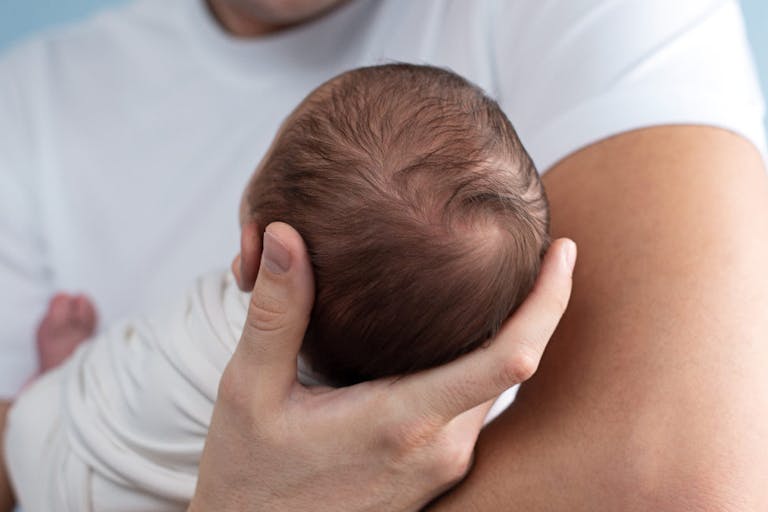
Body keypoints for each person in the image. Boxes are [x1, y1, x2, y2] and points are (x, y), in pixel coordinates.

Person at [1, 0, 767, 510]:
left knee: (77, 421)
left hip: (64, 446)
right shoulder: (26, 96)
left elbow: (686, 485)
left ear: (255, 253)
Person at [4, 63, 549, 511]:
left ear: (254, 257)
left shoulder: (218, 324)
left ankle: (57, 377)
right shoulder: (402, 441)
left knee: (122, 378)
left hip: (48, 453)